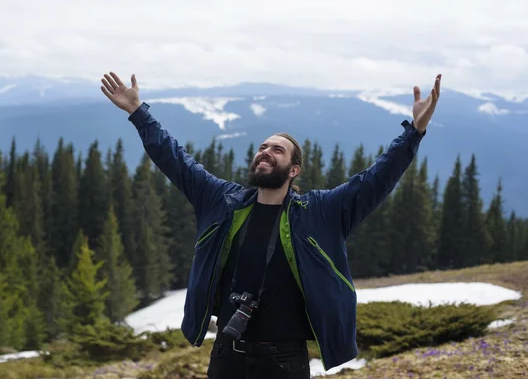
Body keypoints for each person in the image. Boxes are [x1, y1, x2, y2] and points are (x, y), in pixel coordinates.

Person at [100, 71, 442, 379]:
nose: (265, 152)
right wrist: (137, 111)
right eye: (262, 147)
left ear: (293, 170)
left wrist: (415, 132)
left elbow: (376, 178)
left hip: (284, 361)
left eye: (277, 150)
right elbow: (174, 158)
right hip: (226, 353)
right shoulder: (222, 201)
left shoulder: (320, 212)